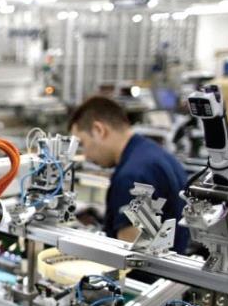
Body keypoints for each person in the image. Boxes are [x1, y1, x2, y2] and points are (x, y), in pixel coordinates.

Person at [69, 95, 190, 253]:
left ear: (99, 130)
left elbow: (132, 255)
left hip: (148, 277)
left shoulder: (131, 176)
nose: (85, 155)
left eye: (83, 143)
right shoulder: (155, 154)